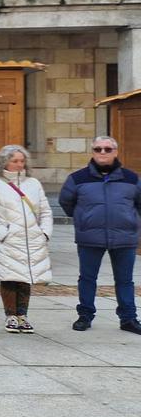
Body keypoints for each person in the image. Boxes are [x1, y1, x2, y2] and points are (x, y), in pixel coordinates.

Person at [59, 136, 141, 335]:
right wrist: (83, 218)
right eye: (98, 149)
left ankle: (128, 318)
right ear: (92, 152)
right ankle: (85, 316)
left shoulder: (131, 179)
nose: (102, 153)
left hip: (124, 238)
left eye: (107, 149)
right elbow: (66, 201)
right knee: (87, 278)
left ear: (116, 152)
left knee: (125, 280)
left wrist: (131, 220)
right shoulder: (78, 178)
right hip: (90, 237)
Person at [0, 144, 52, 334]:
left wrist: (44, 233)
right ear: (5, 162)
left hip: (32, 240)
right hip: (8, 240)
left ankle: (23, 315)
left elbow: (45, 211)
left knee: (26, 277)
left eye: (22, 161)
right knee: (9, 277)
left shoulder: (33, 184)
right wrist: (3, 233)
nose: (19, 165)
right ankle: (10, 315)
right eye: (15, 161)